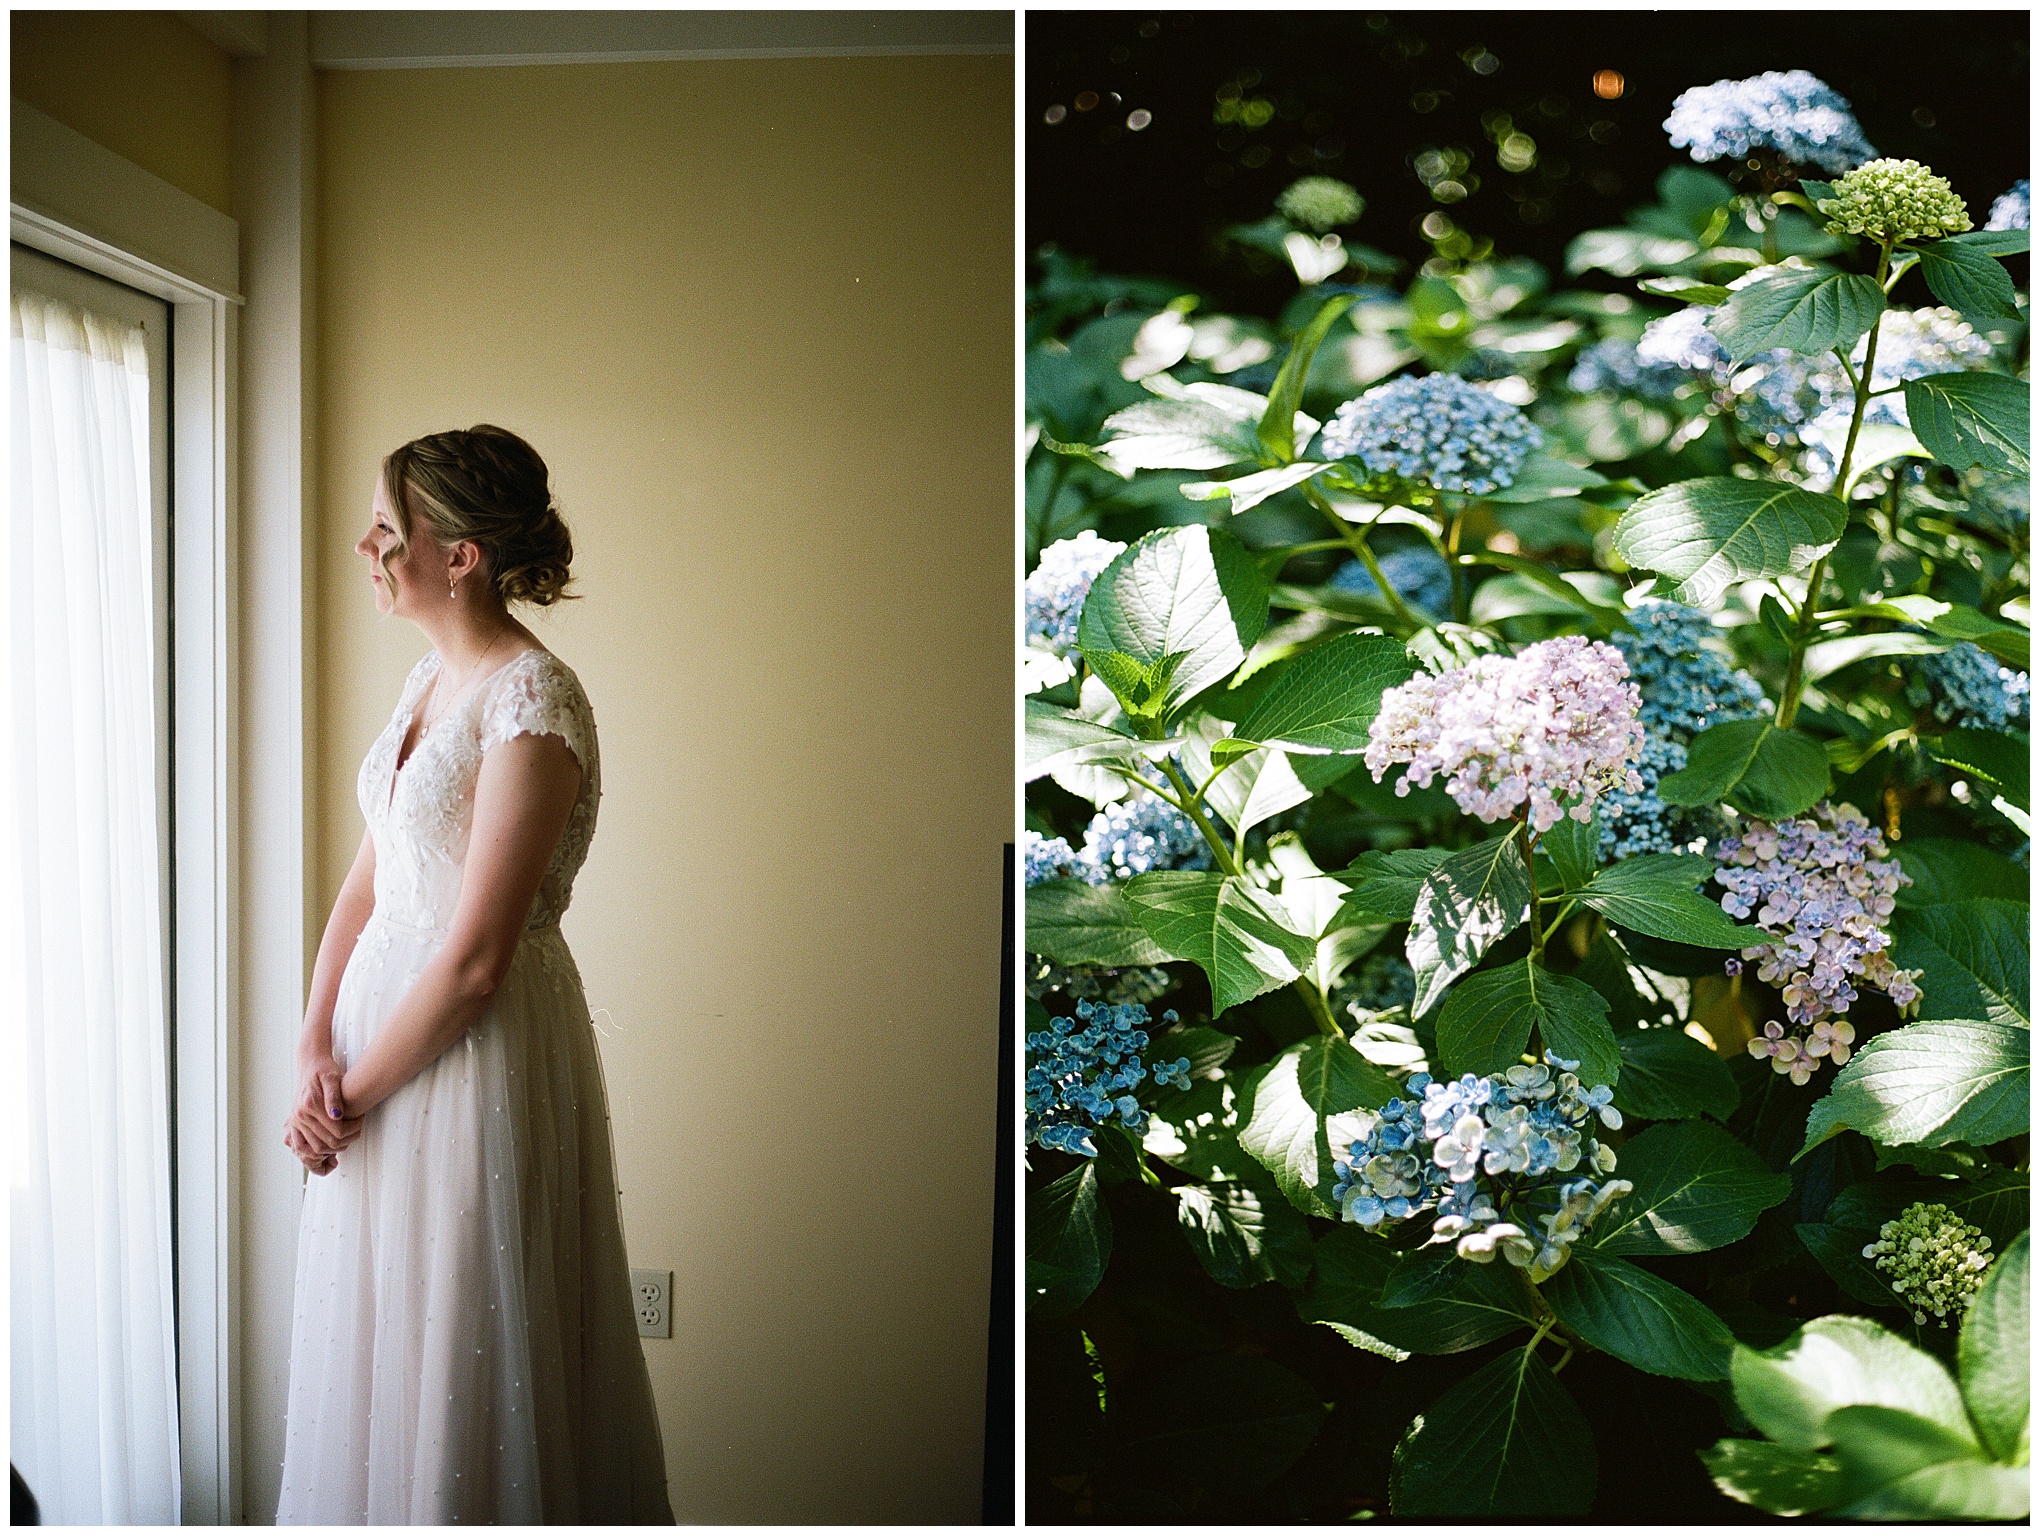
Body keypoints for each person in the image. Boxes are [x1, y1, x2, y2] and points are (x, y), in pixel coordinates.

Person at [275, 426, 674, 1524]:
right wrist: (314, 1046)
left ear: (463, 557)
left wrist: (344, 1101)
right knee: (379, 1333)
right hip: (369, 1051)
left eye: (389, 529)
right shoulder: (427, 681)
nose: (367, 544)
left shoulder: (533, 702)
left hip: (466, 1055)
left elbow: (476, 958)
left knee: (459, 1327)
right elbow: (370, 881)